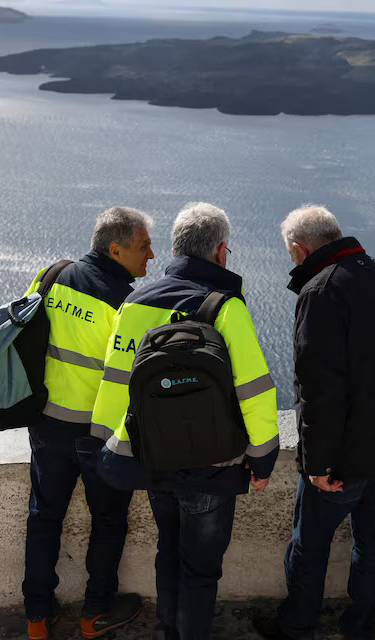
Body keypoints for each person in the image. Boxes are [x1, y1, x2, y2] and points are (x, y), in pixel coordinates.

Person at [90, 202, 279, 640]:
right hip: (212, 465)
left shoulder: (134, 303)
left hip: (153, 459)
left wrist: (103, 447)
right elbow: (253, 388)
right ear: (219, 252)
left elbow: (116, 383)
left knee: (167, 552)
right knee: (200, 570)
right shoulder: (224, 306)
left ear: (176, 249)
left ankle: (167, 632)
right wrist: (263, 459)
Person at [252, 206, 375, 640]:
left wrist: (318, 463)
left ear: (299, 249)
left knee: (309, 548)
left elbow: (318, 388)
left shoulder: (320, 291)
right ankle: (358, 628)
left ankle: (298, 628)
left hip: (340, 458)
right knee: (372, 545)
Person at [22, 206, 154, 640]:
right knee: (109, 521)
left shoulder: (51, 275)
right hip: (96, 435)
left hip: (44, 424)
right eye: (143, 246)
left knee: (44, 519)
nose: (150, 255)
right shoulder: (127, 303)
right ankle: (95, 614)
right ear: (115, 250)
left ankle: (38, 619)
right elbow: (134, 376)